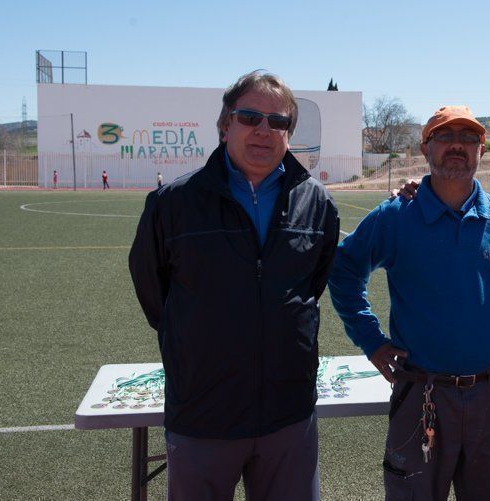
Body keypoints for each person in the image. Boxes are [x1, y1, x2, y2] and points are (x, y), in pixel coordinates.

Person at [129, 70, 339, 501]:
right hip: (203, 415)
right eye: (250, 117)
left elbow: (310, 288)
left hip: (289, 417)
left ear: (289, 134)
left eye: (278, 122)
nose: (264, 130)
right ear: (226, 125)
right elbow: (155, 295)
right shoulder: (173, 204)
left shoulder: (317, 204)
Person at [329, 106, 490, 500]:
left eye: (467, 138)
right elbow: (344, 272)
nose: (457, 146)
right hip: (421, 395)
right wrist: (371, 340)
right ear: (426, 148)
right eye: (445, 137)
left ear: (482, 148)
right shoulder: (396, 216)